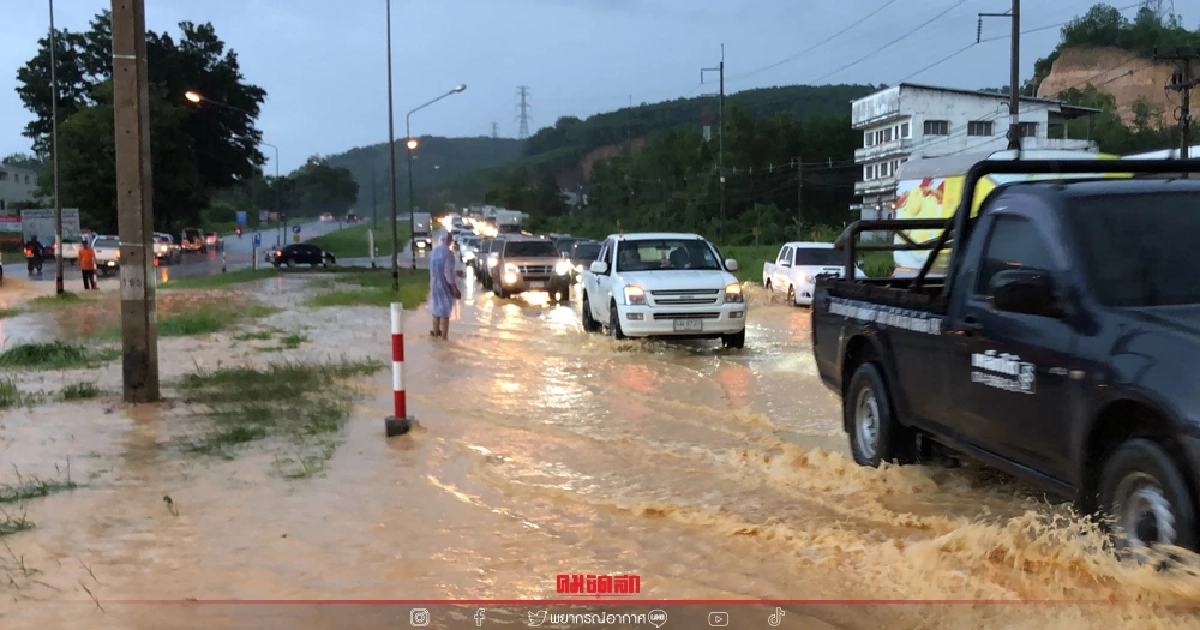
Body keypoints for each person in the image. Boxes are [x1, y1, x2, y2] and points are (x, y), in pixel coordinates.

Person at [428, 231, 461, 340]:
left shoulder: (434, 252)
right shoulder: (448, 254)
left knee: (436, 310)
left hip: (434, 284)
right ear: (450, 241)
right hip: (444, 286)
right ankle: (444, 337)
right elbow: (448, 273)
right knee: (445, 312)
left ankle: (435, 335)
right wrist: (454, 288)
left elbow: (432, 270)